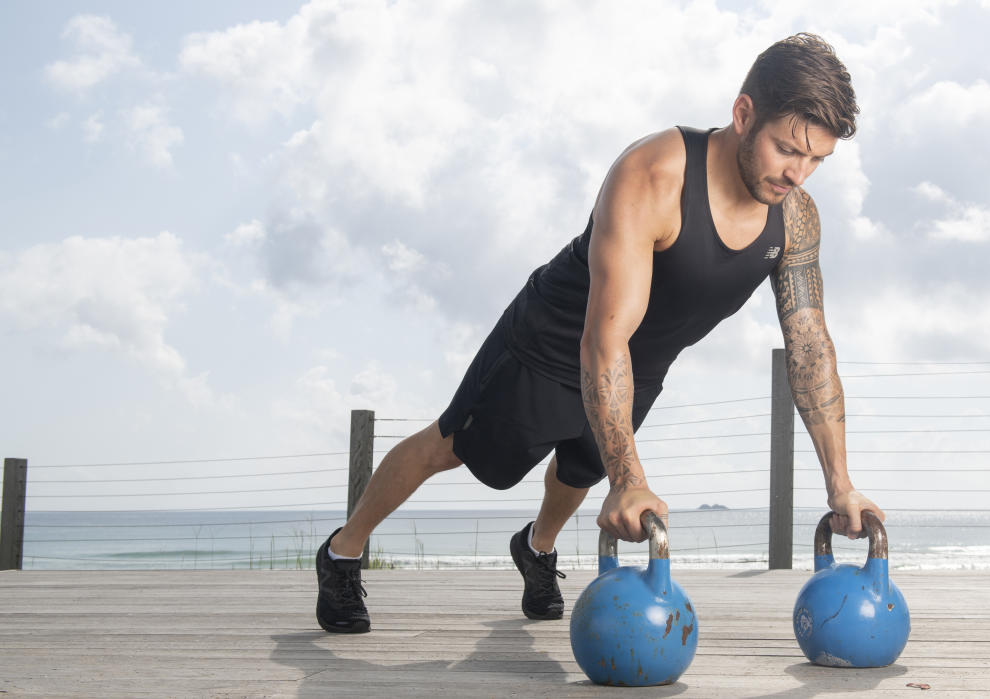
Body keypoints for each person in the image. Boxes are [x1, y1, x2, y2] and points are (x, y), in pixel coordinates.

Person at [314, 32, 884, 634]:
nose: (798, 172)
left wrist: (840, 486)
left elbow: (811, 349)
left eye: (816, 158)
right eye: (786, 149)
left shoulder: (795, 217)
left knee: (583, 468)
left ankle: (536, 549)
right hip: (555, 340)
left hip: (641, 366)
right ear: (743, 114)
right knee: (450, 445)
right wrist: (632, 480)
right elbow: (603, 340)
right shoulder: (653, 175)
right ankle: (342, 552)